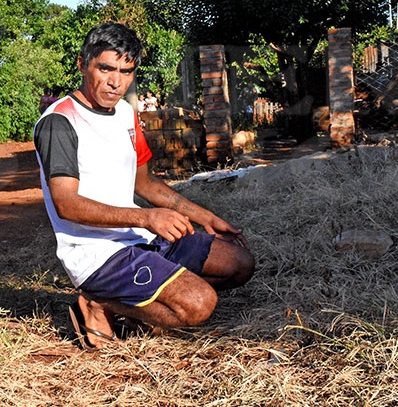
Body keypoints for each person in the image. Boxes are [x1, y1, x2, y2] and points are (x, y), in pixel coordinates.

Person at [33, 22, 255, 349]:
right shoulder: (59, 122)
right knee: (198, 304)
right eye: (105, 68)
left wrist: (203, 216)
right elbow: (67, 204)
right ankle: (99, 303)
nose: (115, 82)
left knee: (239, 264)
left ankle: (145, 300)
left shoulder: (124, 113)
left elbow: (144, 182)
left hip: (140, 239)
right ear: (83, 64)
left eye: (126, 71)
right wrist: (148, 218)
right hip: (97, 254)